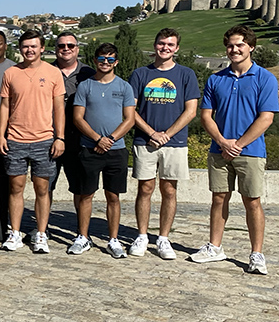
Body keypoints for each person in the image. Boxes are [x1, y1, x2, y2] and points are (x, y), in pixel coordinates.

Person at [192, 25, 279, 275]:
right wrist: (222, 141)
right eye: (230, 45)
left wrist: (237, 144)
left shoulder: (265, 78)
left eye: (240, 44)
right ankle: (215, 247)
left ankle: (257, 254)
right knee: (219, 198)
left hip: (250, 151)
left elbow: (266, 118)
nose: (234, 49)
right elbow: (206, 116)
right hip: (219, 150)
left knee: (252, 201)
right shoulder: (215, 79)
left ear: (251, 46)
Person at [128, 28, 200, 259]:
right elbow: (130, 110)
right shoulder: (140, 74)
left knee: (169, 190)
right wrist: (151, 132)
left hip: (175, 142)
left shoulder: (186, 74)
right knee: (145, 189)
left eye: (170, 44)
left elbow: (191, 111)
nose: (165, 48)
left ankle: (163, 238)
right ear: (155, 45)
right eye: (161, 44)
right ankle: (141, 235)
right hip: (145, 140)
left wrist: (167, 134)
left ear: (176, 48)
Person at [0, 30, 65, 254]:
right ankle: (15, 232)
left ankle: (41, 233)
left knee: (42, 189)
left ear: (42, 48)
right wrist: (1, 134)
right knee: (15, 188)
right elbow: (5, 106)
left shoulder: (53, 73)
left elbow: (59, 108)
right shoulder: (10, 73)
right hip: (15, 138)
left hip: (44, 139)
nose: (29, 50)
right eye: (25, 46)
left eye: (34, 46)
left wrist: (60, 137)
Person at [67, 43, 136, 258]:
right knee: (85, 194)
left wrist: (111, 139)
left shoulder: (124, 86)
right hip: (89, 148)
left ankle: (113, 239)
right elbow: (78, 118)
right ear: (95, 60)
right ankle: (83, 237)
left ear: (116, 62)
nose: (105, 63)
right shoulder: (85, 86)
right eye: (101, 59)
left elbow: (130, 118)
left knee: (113, 196)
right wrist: (97, 138)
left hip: (116, 150)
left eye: (110, 59)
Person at [51, 31, 95, 197]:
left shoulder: (89, 74)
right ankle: (42, 223)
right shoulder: (46, 71)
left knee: (80, 189)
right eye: (61, 46)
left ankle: (80, 224)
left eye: (70, 45)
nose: (66, 49)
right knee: (45, 188)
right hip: (50, 137)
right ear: (56, 49)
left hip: (80, 139)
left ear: (77, 49)